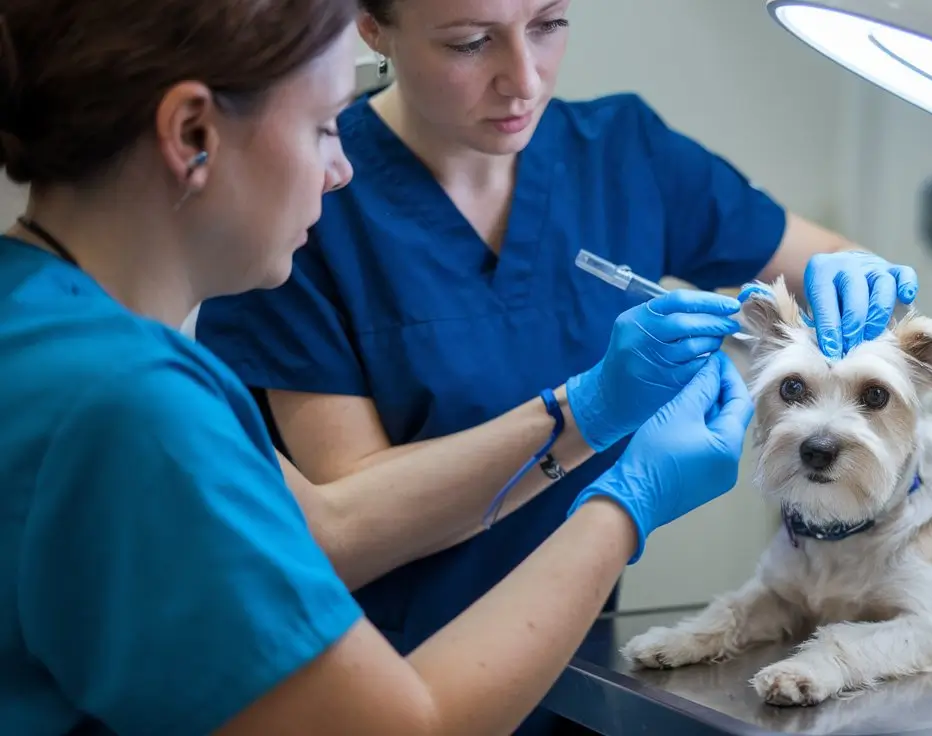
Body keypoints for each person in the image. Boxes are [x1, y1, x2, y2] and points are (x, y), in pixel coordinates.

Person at [0, 2, 762, 734]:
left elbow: (304, 526)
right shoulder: (130, 406)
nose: (340, 170)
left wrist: (584, 412)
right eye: (325, 125)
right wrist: (622, 505)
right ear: (192, 131)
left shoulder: (42, 323)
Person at [194, 4, 919, 730]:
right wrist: (589, 416)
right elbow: (349, 520)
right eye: (471, 42)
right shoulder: (311, 196)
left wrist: (859, 277)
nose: (524, 79)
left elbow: (819, 256)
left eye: (548, 24)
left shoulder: (622, 153)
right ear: (374, 29)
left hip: (571, 667)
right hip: (376, 680)